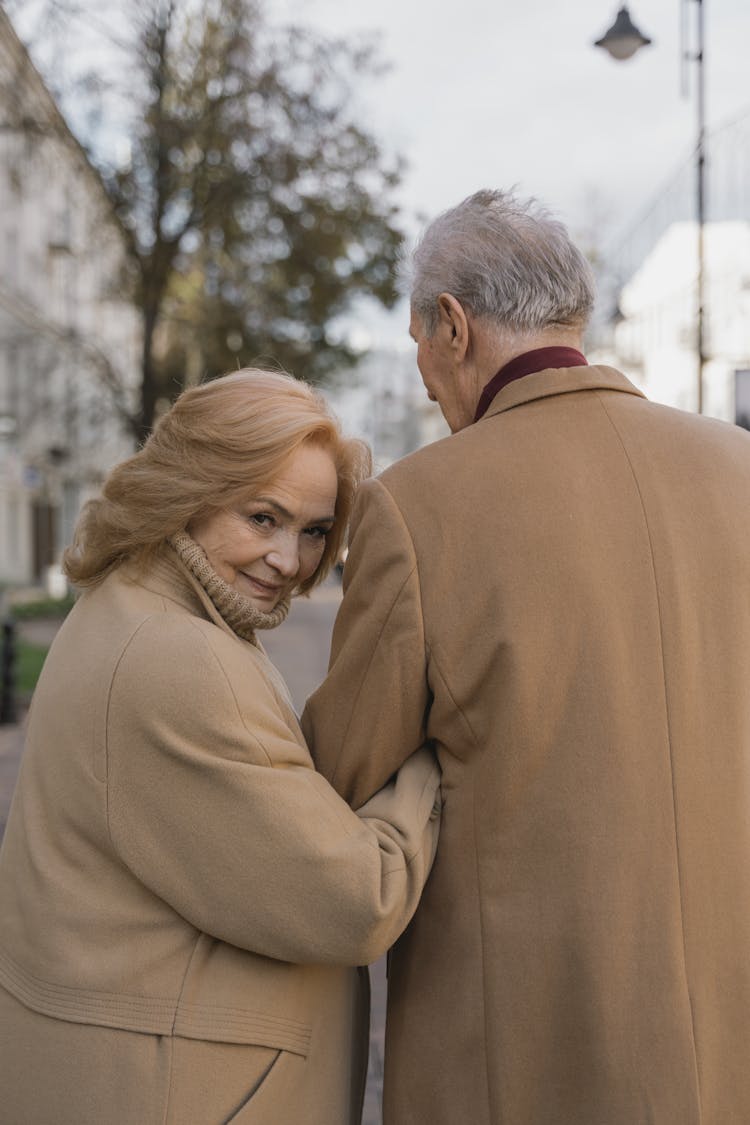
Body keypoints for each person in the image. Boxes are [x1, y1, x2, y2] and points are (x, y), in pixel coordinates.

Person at [302, 189, 750, 1124]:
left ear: (453, 328)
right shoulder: (736, 469)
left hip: (523, 1046)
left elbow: (340, 766)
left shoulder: (416, 505)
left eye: (421, 346)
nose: (426, 380)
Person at [0, 369, 441, 1125]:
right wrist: (429, 754)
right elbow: (355, 901)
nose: (288, 560)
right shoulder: (180, 658)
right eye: (262, 517)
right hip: (182, 1090)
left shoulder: (130, 602)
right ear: (188, 491)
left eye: (311, 531)